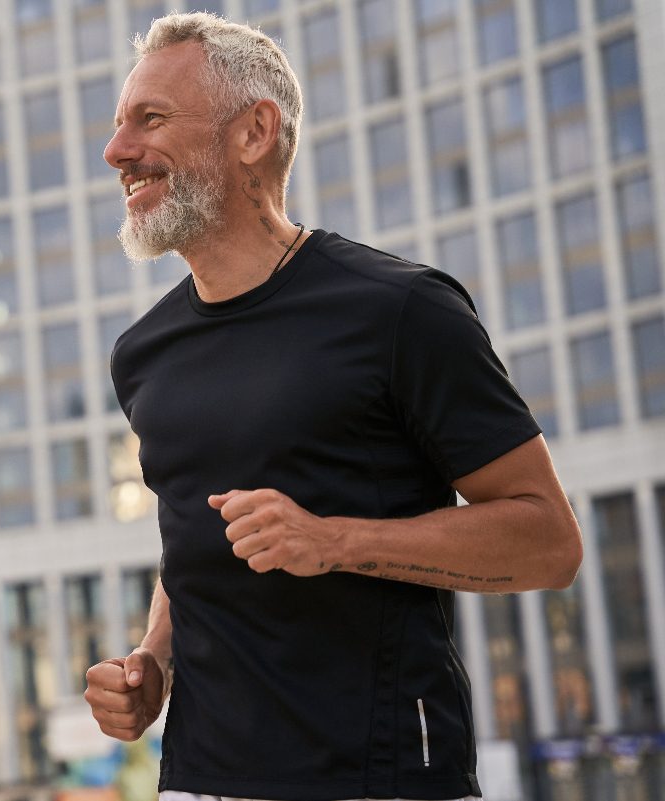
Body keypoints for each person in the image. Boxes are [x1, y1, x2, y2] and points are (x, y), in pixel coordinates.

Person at [83, 12, 582, 801]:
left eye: (150, 119)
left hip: (380, 777)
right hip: (198, 778)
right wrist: (154, 661)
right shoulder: (142, 353)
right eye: (118, 126)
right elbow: (191, 540)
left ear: (254, 132)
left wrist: (332, 540)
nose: (116, 152)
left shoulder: (402, 309)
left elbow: (550, 541)